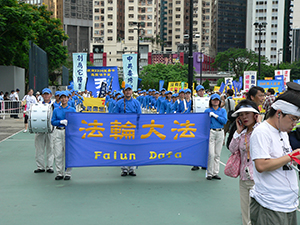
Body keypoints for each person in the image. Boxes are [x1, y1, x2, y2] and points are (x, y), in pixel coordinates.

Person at [249, 82, 300, 225]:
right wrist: (291, 156)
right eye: (293, 119)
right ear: (279, 113)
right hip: (271, 204)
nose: (294, 124)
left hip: (287, 203)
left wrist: (294, 158)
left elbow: (282, 159)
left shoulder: (283, 132)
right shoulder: (262, 131)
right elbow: (261, 165)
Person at [229, 100, 260, 225]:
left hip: (258, 178)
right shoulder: (242, 133)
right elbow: (232, 149)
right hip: (243, 178)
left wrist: (258, 125)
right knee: (245, 214)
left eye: (247, 113)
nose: (244, 117)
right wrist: (238, 131)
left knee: (258, 214)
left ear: (255, 115)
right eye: (241, 114)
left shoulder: (261, 131)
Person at [114, 84, 141, 176]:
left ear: (132, 91)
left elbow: (139, 116)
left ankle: (132, 168)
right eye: (126, 90)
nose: (128, 92)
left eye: (129, 90)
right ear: (123, 92)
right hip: (122, 129)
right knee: (123, 148)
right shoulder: (119, 103)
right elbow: (114, 115)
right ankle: (124, 168)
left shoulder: (136, 103)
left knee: (133, 148)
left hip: (133, 128)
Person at [51, 91, 76, 180]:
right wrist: (60, 122)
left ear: (68, 98)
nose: (64, 99)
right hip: (58, 131)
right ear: (60, 99)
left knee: (68, 153)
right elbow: (52, 121)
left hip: (68, 132)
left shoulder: (72, 109)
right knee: (58, 153)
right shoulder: (56, 110)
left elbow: (75, 121)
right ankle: (59, 173)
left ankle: (68, 173)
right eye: (62, 97)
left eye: (65, 97)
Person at [205, 93, 227, 180]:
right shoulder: (207, 111)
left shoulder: (222, 111)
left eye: (217, 100)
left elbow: (224, 121)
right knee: (211, 154)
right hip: (211, 131)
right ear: (211, 101)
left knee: (217, 154)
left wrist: (215, 116)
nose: (215, 101)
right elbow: (204, 122)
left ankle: (215, 172)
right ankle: (209, 173)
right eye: (214, 100)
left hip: (220, 132)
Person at [34, 88, 54, 174]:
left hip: (51, 129)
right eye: (44, 94)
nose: (46, 95)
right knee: (39, 149)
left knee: (51, 148)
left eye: (47, 94)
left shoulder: (54, 105)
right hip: (40, 129)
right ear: (42, 95)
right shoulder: (37, 105)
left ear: (50, 95)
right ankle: (40, 166)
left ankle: (50, 166)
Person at [191, 85, 210, 171]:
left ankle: (204, 163)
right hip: (196, 125)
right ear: (197, 92)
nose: (201, 92)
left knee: (205, 145)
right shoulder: (193, 100)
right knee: (196, 144)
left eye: (202, 90)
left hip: (205, 125)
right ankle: (195, 163)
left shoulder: (208, 100)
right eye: (199, 91)